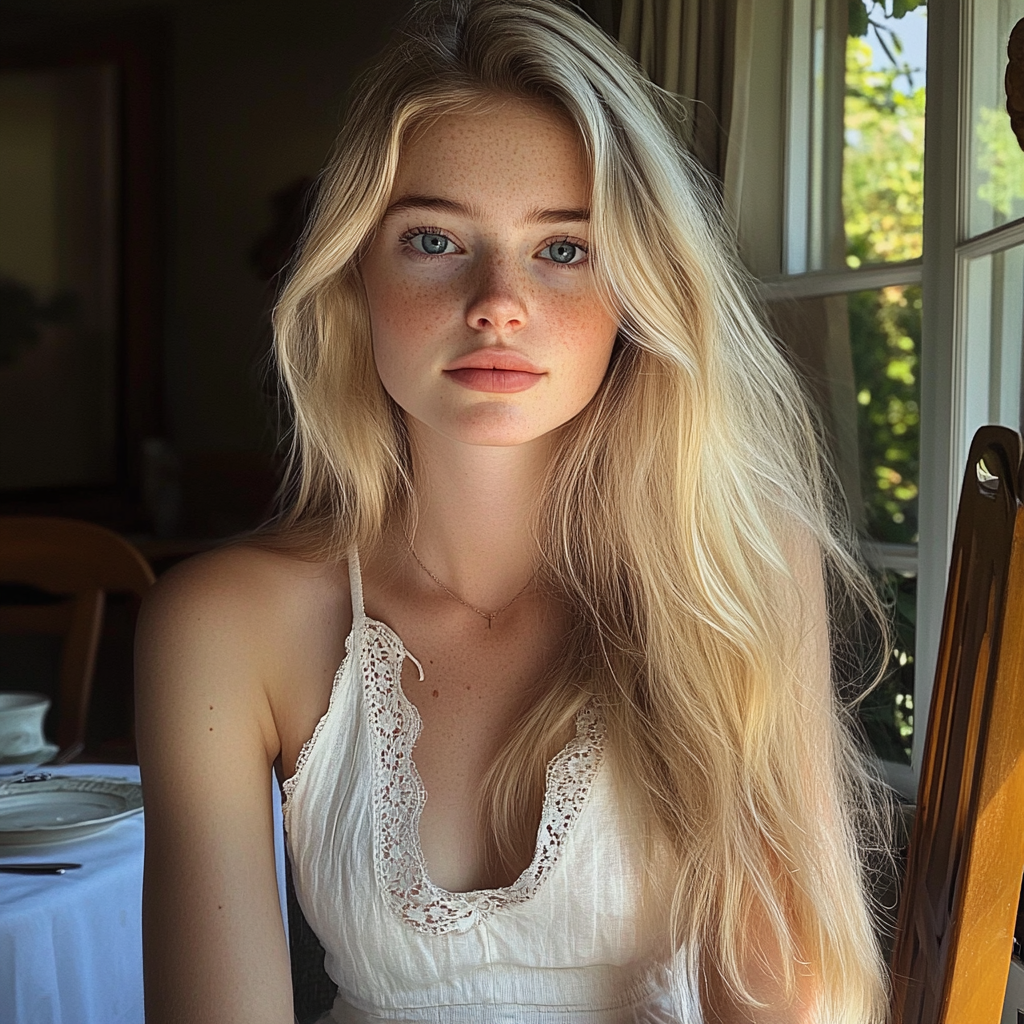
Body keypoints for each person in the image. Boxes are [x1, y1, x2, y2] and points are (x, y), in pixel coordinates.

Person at [135, 1, 893, 1021]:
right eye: (436, 238)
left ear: (639, 287)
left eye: (564, 250)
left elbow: (785, 1000)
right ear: (355, 272)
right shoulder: (223, 626)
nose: (499, 299)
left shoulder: (736, 567)